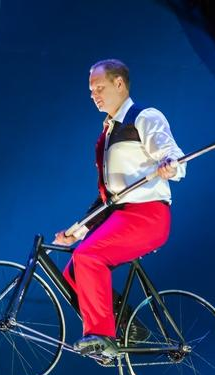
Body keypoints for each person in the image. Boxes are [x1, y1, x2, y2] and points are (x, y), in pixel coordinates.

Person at [53, 59, 186, 358]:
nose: (94, 94)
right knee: (73, 271)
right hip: (119, 214)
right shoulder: (107, 134)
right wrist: (77, 231)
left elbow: (173, 153)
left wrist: (170, 166)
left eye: (99, 87)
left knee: (88, 257)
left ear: (119, 84)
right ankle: (128, 327)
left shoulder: (143, 116)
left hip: (147, 215)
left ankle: (102, 334)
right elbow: (107, 197)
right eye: (91, 90)